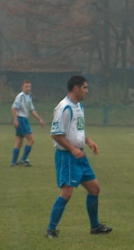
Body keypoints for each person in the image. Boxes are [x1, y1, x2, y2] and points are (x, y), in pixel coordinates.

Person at [45, 75, 112, 238]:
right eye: (85, 87)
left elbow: (76, 130)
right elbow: (55, 134)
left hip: (80, 155)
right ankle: (51, 230)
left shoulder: (79, 107)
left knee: (94, 189)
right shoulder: (64, 107)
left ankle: (95, 227)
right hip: (67, 156)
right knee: (67, 193)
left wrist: (88, 141)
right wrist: (72, 149)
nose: (87, 91)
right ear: (76, 88)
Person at [11, 80, 45, 167]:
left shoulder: (28, 96)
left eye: (29, 86)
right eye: (26, 86)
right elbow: (14, 108)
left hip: (24, 119)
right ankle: (23, 160)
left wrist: (39, 119)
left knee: (19, 141)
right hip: (21, 119)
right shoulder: (20, 96)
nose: (28, 88)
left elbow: (32, 110)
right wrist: (15, 119)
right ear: (22, 87)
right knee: (31, 139)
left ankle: (14, 163)